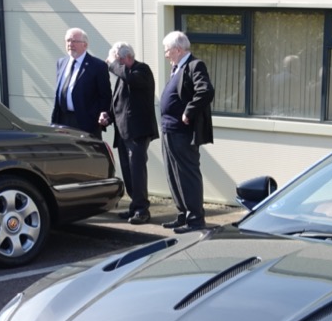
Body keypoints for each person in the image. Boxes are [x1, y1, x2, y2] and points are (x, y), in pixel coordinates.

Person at [158, 30, 215, 231]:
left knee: (187, 174)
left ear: (178, 49)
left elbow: (206, 90)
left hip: (183, 132)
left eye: (167, 50)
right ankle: (183, 214)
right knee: (173, 174)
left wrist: (189, 111)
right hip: (169, 130)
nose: (166, 54)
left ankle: (195, 219)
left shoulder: (194, 65)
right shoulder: (177, 68)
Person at [98, 42, 158, 224]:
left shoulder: (142, 70)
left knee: (137, 171)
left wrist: (113, 64)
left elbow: (131, 79)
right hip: (123, 132)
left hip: (138, 131)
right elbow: (119, 102)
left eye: (118, 61)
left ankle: (142, 210)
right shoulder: (123, 75)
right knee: (128, 171)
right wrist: (107, 116)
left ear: (127, 58)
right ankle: (135, 206)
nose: (114, 65)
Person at [51, 27, 110, 134]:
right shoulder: (61, 62)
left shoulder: (97, 66)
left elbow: (105, 95)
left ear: (85, 45)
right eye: (68, 40)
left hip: (85, 122)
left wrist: (101, 115)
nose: (70, 44)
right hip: (62, 120)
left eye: (75, 41)